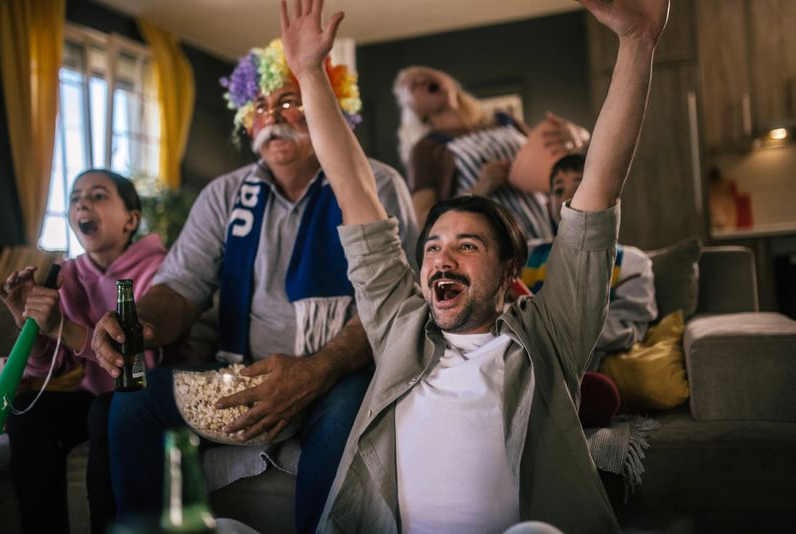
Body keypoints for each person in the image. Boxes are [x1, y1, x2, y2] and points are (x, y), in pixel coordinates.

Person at [277, 0, 668, 532]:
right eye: (434, 245)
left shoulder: (549, 337)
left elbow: (598, 186)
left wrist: (637, 43)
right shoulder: (400, 326)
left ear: (511, 272)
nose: (442, 257)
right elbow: (353, 186)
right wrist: (308, 74)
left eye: (467, 246)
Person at [90, 38, 418, 534]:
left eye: (288, 100)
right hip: (239, 374)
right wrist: (140, 323)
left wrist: (317, 370)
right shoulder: (224, 194)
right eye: (259, 105)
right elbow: (179, 289)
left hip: (338, 374)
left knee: (351, 413)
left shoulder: (377, 182)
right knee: (132, 401)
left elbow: (392, 305)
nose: (272, 116)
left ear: (330, 105)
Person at [0, 169, 168, 534]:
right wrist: (30, 325)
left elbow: (141, 363)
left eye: (99, 195)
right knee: (29, 416)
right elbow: (51, 370)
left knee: (108, 408)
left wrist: (63, 326)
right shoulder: (68, 275)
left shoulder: (160, 269)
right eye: (75, 198)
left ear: (131, 220)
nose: (82, 204)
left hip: (143, 399)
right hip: (93, 399)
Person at [393, 64, 590, 234]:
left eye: (426, 74)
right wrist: (480, 188)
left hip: (548, 230)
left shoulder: (503, 120)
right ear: (413, 109)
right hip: (495, 246)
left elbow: (553, 169)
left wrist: (577, 137)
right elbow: (422, 219)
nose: (421, 80)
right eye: (413, 85)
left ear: (449, 82)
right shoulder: (426, 149)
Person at [524, 153, 658, 363]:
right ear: (549, 205)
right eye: (559, 190)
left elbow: (628, 328)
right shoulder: (526, 255)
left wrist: (549, 328)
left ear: (612, 199)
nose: (569, 197)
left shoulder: (632, 263)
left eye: (580, 188)